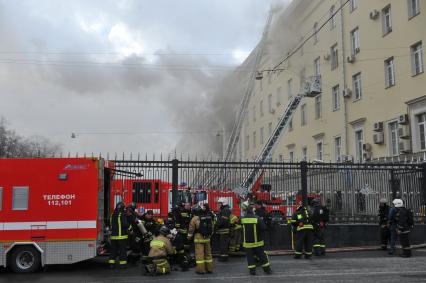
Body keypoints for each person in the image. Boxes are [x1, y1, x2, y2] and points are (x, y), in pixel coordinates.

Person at [241, 201, 272, 276]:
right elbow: (264, 228)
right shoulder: (257, 218)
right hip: (257, 242)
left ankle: (252, 271)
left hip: (247, 243)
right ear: (252, 210)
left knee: (250, 258)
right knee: (262, 256)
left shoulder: (242, 219)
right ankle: (267, 270)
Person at [188, 204, 214, 274]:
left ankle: (200, 270)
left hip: (199, 238)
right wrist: (209, 236)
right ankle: (209, 269)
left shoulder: (195, 218)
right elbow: (212, 227)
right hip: (207, 238)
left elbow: (191, 230)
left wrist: (189, 238)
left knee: (200, 254)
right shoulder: (208, 217)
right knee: (208, 254)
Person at [108, 202, 129, 269]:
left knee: (113, 251)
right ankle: (122, 265)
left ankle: (111, 264)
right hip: (121, 237)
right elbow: (125, 224)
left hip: (113, 237)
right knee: (122, 251)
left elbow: (110, 224)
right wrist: (130, 228)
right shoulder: (122, 214)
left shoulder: (112, 214)